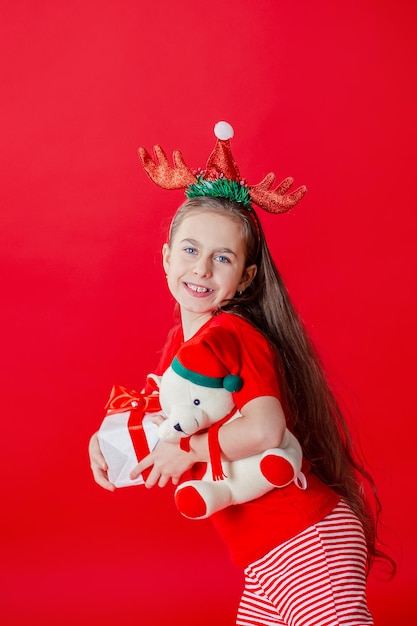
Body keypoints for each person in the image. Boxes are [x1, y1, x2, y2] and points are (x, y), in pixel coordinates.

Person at [89, 123, 394, 625]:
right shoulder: (182, 347)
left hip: (304, 545)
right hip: (264, 557)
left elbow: (264, 428)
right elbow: (162, 417)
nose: (202, 269)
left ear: (246, 276)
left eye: (222, 258)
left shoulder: (233, 334)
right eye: (189, 250)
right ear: (166, 258)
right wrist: (104, 442)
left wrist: (183, 450)